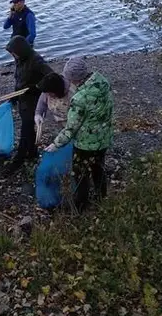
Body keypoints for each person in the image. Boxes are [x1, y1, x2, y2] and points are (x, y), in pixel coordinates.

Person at [44, 58, 114, 212]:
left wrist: (55, 144)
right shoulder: (102, 81)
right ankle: (101, 197)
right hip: (104, 137)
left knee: (81, 175)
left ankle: (80, 206)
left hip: (85, 144)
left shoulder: (79, 99)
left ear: (74, 78)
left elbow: (70, 129)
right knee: (98, 168)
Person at [4, 36, 54, 174]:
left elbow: (52, 76)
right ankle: (32, 152)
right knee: (28, 127)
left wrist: (36, 87)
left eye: (13, 52)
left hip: (34, 101)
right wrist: (15, 96)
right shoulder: (20, 59)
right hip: (22, 98)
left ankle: (19, 159)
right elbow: (19, 79)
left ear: (21, 49)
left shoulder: (36, 60)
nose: (13, 55)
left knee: (25, 129)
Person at [34, 61, 85, 134]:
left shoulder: (74, 94)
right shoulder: (48, 89)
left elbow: (80, 117)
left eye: (49, 93)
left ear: (56, 91)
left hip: (77, 125)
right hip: (62, 123)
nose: (47, 95)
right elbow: (42, 101)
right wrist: (38, 114)